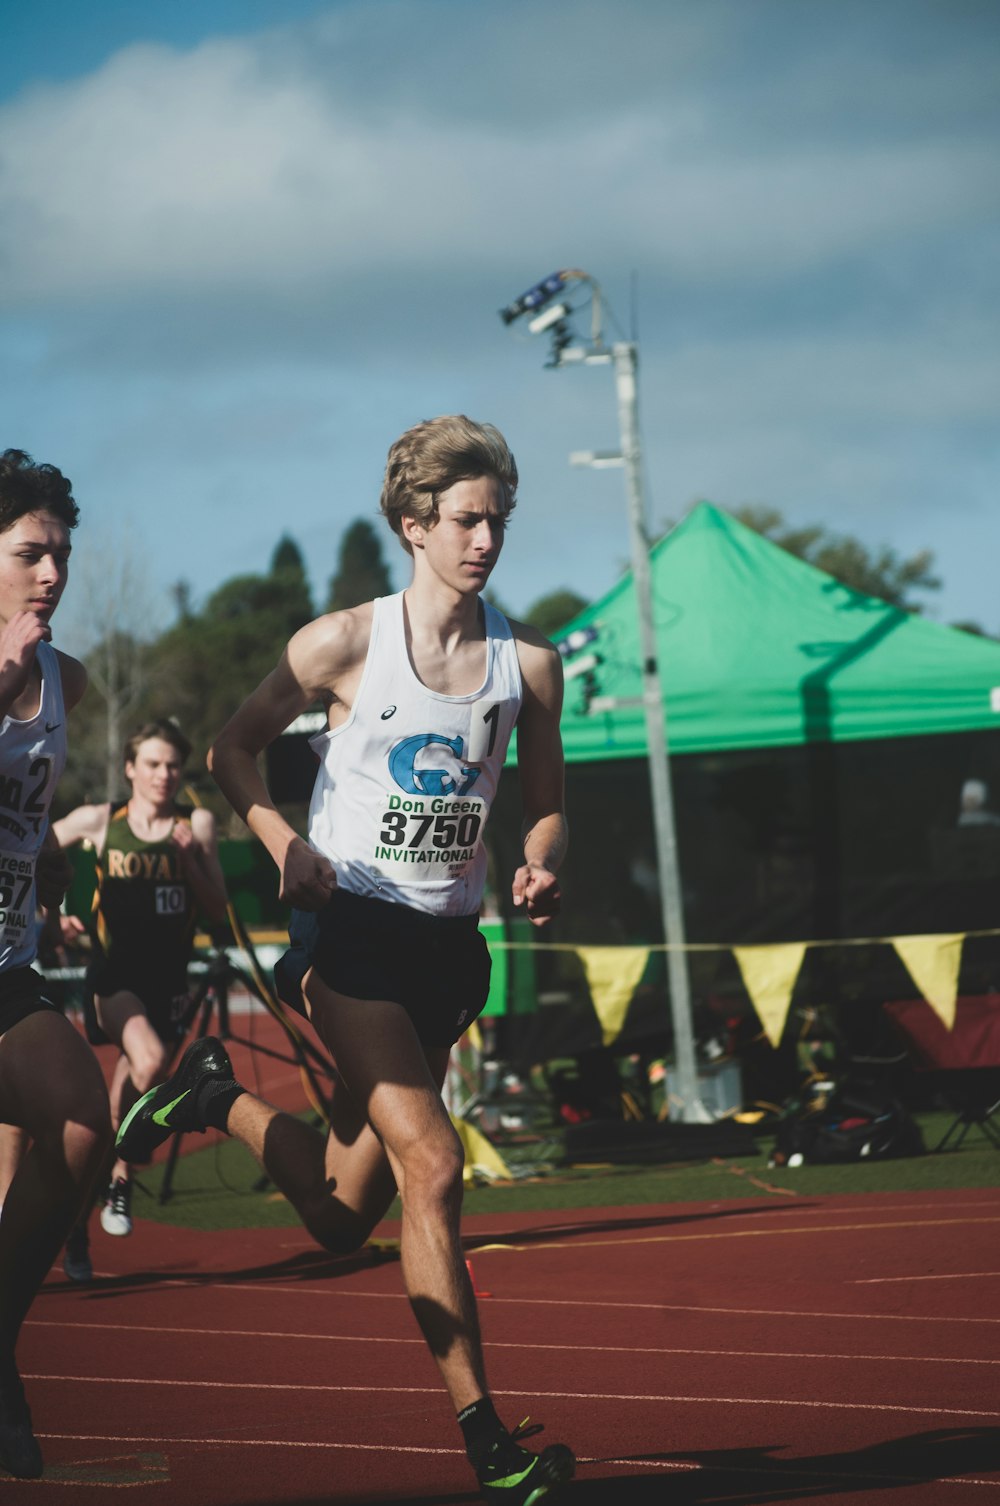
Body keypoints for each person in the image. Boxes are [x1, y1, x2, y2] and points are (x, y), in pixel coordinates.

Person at [116, 416, 574, 1504]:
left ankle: (213, 1097)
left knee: (337, 1214)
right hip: (349, 938)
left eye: (499, 520)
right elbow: (232, 749)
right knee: (435, 1165)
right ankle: (485, 1438)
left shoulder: (529, 666)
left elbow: (547, 809)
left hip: (451, 956)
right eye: (466, 520)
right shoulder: (343, 645)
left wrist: (542, 865)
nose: (486, 540)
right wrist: (285, 845)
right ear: (414, 526)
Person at [0, 449, 111, 1478]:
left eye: (61, 555)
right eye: (31, 553)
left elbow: (31, 835)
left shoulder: (65, 682)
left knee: (85, 1118)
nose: (52, 574)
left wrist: (58, 902)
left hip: (6, 968)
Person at [53, 719, 228, 1259]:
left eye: (172, 765)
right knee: (149, 1060)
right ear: (130, 768)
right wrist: (54, 911)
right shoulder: (102, 820)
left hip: (167, 985)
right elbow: (32, 846)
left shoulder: (195, 825)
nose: (163, 775)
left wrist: (191, 861)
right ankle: (123, 1178)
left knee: (123, 1102)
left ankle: (76, 1223)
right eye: (152, 764)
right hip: (113, 980)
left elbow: (218, 908)